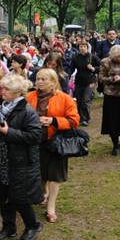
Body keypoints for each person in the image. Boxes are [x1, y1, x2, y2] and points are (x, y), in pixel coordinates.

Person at [0, 74, 44, 240]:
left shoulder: (27, 111)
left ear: (18, 93)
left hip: (20, 162)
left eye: (6, 89)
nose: (2, 92)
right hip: (2, 160)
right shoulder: (3, 108)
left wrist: (7, 132)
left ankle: (32, 225)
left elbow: (35, 136)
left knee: (20, 197)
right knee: (4, 196)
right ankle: (9, 228)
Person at [26, 68, 79, 224]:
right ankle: (43, 193)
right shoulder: (29, 97)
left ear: (53, 82)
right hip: (36, 141)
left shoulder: (64, 98)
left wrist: (54, 121)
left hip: (57, 141)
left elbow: (74, 120)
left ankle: (51, 207)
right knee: (40, 172)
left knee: (55, 176)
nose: (39, 82)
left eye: (44, 79)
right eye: (38, 79)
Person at [72, 41, 99, 126]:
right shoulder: (75, 57)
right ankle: (80, 118)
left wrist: (93, 68)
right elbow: (71, 68)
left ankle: (86, 119)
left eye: (84, 46)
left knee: (86, 100)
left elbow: (102, 66)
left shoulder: (92, 57)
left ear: (87, 48)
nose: (82, 48)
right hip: (79, 81)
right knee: (79, 100)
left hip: (90, 81)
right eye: (80, 46)